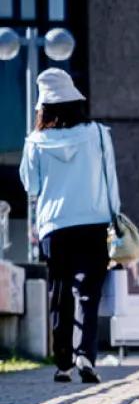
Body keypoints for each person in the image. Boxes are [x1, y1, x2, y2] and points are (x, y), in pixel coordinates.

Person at [18, 68, 117, 384]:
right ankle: (85, 355)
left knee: (59, 294)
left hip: (55, 227)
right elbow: (110, 182)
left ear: (43, 106)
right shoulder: (99, 134)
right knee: (89, 294)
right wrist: (115, 220)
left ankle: (62, 364)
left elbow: (30, 186)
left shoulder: (35, 142)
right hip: (93, 222)